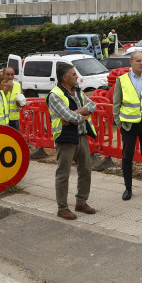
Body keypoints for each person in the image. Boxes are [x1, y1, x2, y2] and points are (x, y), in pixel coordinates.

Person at [47, 63, 98, 220]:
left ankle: (81, 202)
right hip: (65, 139)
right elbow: (70, 117)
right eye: (74, 74)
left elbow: (92, 105)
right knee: (63, 174)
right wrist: (79, 115)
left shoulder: (77, 91)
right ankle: (62, 208)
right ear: (65, 78)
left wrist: (75, 114)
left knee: (86, 171)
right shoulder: (54, 95)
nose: (77, 77)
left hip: (81, 136)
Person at [113, 51, 142, 200]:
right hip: (128, 125)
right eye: (138, 61)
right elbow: (116, 104)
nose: (141, 63)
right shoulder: (121, 80)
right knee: (127, 157)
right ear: (131, 62)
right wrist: (120, 124)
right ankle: (128, 188)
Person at [2, 67, 26, 131]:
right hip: (3, 119)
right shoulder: (0, 86)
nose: (10, 77)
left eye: (12, 74)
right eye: (8, 74)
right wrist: (6, 89)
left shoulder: (18, 85)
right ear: (3, 75)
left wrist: (21, 104)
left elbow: (21, 101)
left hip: (14, 118)